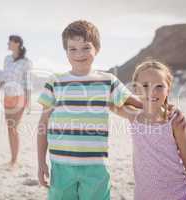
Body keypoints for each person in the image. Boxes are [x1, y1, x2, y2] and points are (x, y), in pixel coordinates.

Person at [37, 20, 144, 200]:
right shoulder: (55, 81)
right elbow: (43, 124)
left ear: (97, 49)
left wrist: (163, 105)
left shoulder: (108, 80)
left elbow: (135, 103)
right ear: (66, 52)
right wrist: (41, 162)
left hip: (96, 165)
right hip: (61, 165)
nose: (79, 54)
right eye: (73, 49)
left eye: (86, 48)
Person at [111, 60, 186, 200]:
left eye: (159, 86)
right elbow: (110, 102)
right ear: (136, 89)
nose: (152, 91)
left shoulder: (174, 122)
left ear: (168, 89)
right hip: (143, 195)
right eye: (145, 85)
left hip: (177, 195)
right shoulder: (133, 116)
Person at [0, 35, 32, 169]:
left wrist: (28, 100)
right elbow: (5, 77)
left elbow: (28, 82)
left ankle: (14, 160)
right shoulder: (7, 59)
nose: (8, 44)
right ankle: (13, 158)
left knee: (14, 128)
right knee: (10, 128)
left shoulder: (26, 62)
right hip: (7, 96)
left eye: (9, 42)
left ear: (17, 43)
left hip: (19, 96)